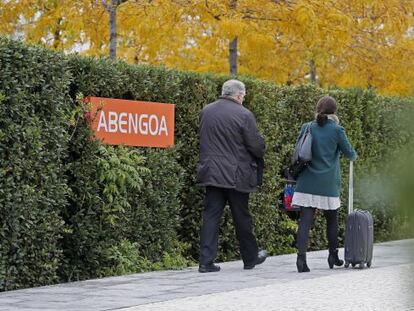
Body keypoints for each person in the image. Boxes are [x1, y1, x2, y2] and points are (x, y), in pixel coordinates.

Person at [196, 79, 267, 273]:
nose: (243, 99)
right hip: (236, 175)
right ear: (238, 95)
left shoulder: (206, 111)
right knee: (241, 217)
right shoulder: (244, 115)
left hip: (211, 172)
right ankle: (250, 258)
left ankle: (205, 261)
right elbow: (255, 146)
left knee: (211, 216)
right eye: (243, 96)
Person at [292, 96, 357, 273]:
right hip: (327, 184)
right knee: (332, 221)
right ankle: (333, 255)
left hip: (306, 182)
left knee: (304, 222)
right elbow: (351, 154)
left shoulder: (307, 127)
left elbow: (297, 149)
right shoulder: (337, 130)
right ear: (334, 111)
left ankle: (301, 260)